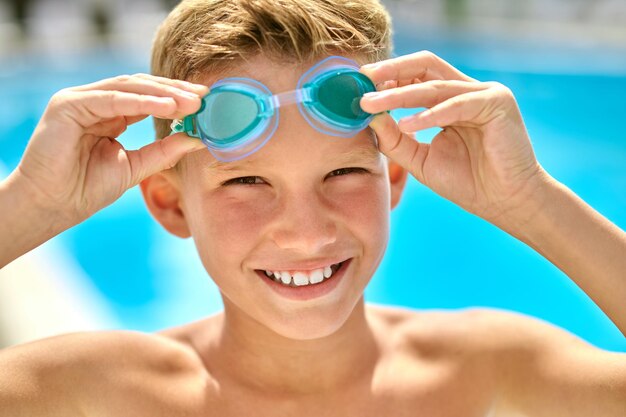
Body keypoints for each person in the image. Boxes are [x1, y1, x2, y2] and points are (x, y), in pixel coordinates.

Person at [1, 0, 625, 415]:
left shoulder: (492, 371)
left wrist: (532, 200)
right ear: (169, 203)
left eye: (346, 171)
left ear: (395, 180)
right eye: (246, 183)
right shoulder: (96, 395)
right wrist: (29, 205)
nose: (305, 231)